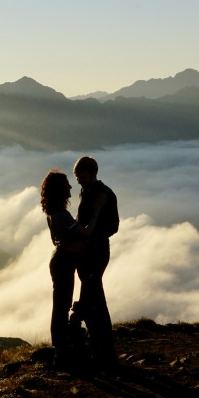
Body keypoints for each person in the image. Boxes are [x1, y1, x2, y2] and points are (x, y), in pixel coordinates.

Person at [40, 169, 94, 368]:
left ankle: (61, 348)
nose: (71, 187)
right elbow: (86, 232)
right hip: (64, 263)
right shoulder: (61, 215)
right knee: (62, 306)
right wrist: (97, 210)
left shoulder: (54, 213)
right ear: (59, 190)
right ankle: (61, 351)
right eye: (67, 184)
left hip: (61, 261)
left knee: (61, 305)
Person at [72, 155, 120, 367]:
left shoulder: (105, 195)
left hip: (97, 252)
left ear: (92, 174)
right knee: (96, 299)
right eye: (77, 177)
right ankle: (102, 348)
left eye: (81, 176)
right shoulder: (87, 192)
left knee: (94, 298)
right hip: (87, 253)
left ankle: (102, 349)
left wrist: (90, 234)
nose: (78, 181)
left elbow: (113, 226)